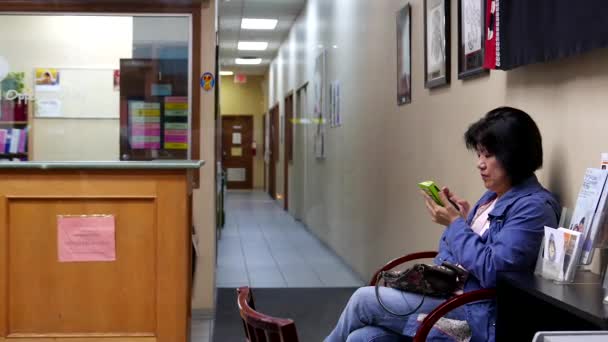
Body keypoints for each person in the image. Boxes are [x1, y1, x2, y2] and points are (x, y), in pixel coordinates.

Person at [324, 107, 560, 342]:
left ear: (514, 155)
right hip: (449, 298)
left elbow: (494, 271)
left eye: (488, 155)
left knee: (363, 300)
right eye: (478, 154)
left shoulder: (534, 208)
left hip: (474, 314)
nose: (480, 164)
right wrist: (463, 221)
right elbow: (449, 257)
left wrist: (456, 224)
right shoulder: (491, 198)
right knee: (362, 337)